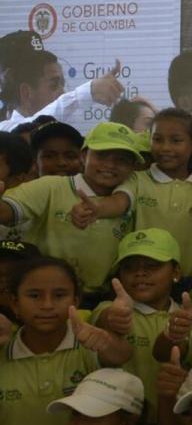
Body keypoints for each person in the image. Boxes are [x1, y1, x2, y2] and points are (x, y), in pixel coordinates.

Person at [0, 257, 133, 425]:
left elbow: (121, 354)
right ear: (14, 303)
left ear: (77, 300)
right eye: (34, 296)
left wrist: (109, 341)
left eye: (59, 295)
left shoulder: (88, 344)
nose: (47, 305)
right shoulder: (2, 353)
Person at [0, 122, 140, 299]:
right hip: (47, 296)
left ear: (133, 167)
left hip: (102, 297)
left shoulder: (134, 189)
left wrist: (99, 208)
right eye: (102, 155)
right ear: (83, 155)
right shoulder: (51, 186)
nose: (110, 165)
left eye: (122, 160)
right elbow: (7, 212)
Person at [90, 228, 192, 425]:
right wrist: (113, 318)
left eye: (152, 265)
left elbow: (169, 353)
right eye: (129, 267)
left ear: (176, 272)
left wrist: (173, 335)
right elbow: (105, 320)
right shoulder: (106, 309)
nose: (140, 273)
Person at [71, 108, 192, 279]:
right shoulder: (138, 179)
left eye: (176, 140)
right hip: (142, 283)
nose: (165, 147)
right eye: (157, 139)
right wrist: (97, 209)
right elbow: (119, 202)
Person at [0, 32, 123, 132]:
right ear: (26, 92)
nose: (62, 92)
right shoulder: (6, 131)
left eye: (63, 84)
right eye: (53, 85)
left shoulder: (66, 130)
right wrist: (84, 94)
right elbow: (24, 131)